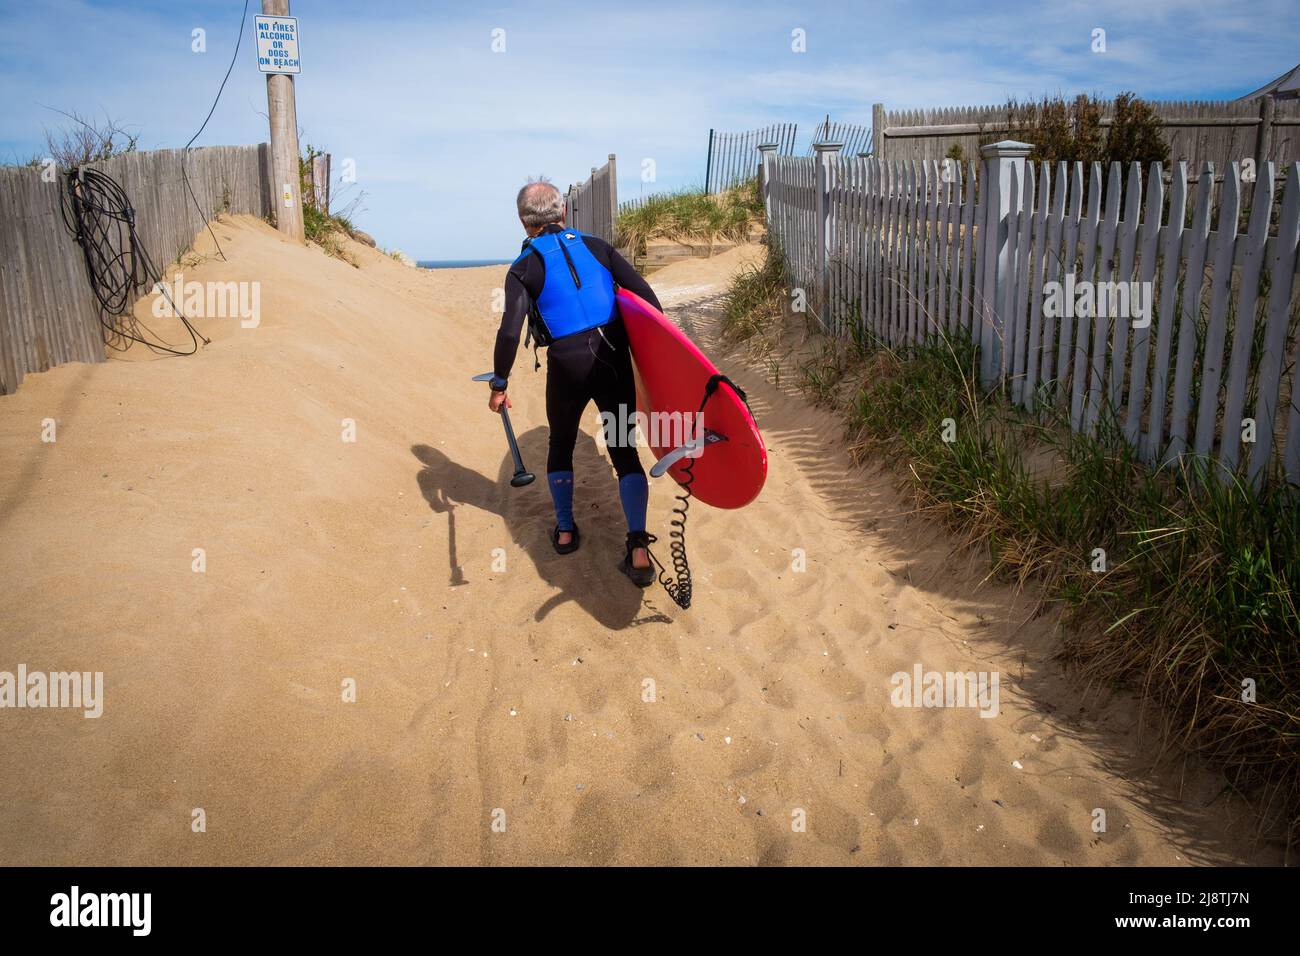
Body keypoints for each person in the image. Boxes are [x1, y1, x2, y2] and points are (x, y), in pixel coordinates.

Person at [488, 178, 662, 587]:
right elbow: (646, 298)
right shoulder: (597, 246)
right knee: (622, 449)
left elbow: (510, 332)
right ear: (563, 212)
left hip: (565, 366)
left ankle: (565, 531)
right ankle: (637, 546)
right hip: (613, 358)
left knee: (561, 443)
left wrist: (499, 383)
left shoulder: (523, 266)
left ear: (522, 220)